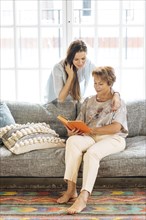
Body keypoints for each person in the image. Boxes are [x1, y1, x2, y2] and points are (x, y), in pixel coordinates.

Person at [57, 66, 128, 214]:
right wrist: (72, 130)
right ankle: (71, 190)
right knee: (72, 142)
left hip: (112, 138)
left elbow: (116, 128)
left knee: (91, 154)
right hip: (90, 136)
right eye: (95, 83)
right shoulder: (89, 101)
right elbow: (79, 121)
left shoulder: (118, 102)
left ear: (110, 83)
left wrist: (92, 130)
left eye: (100, 84)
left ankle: (83, 197)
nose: (96, 87)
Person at [45, 39, 120, 111]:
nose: (80, 63)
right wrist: (70, 77)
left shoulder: (88, 63)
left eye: (83, 58)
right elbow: (61, 98)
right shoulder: (58, 68)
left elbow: (105, 78)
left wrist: (116, 94)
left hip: (74, 101)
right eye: (76, 59)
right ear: (70, 58)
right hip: (55, 103)